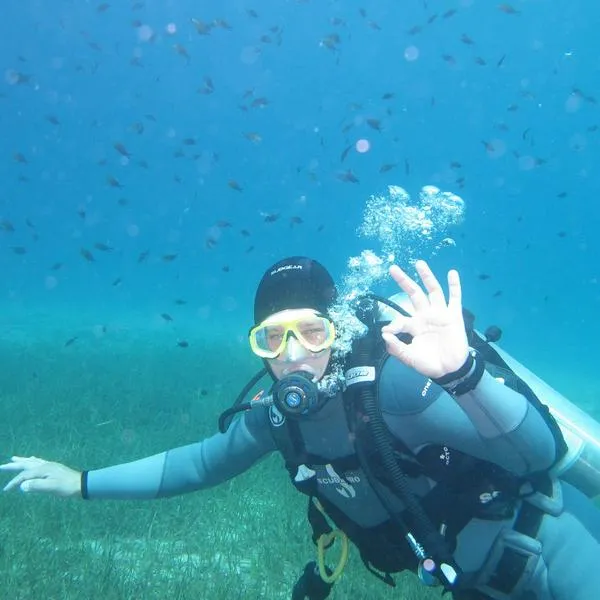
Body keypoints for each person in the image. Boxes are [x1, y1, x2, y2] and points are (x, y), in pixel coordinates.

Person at [2, 256, 600, 600]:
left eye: (312, 333)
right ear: (259, 351)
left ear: (336, 333)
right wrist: (79, 481)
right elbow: (201, 464)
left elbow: (539, 457)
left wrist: (463, 376)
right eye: (272, 338)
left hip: (548, 550)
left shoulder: (396, 390)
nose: (293, 356)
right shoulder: (276, 418)